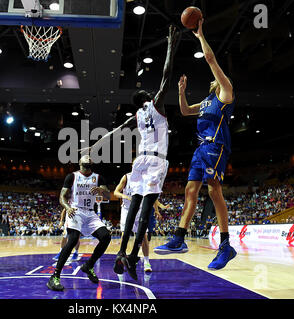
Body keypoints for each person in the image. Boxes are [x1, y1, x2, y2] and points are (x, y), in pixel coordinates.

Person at [83, 25, 179, 280]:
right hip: (156, 161)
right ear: (148, 98)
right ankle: (134, 256)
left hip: (139, 162)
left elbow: (114, 132)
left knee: (134, 209)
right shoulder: (156, 106)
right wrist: (171, 44)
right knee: (145, 213)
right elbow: (166, 76)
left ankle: (121, 252)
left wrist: (94, 145)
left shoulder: (135, 116)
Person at [154, 18, 237, 270]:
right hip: (201, 149)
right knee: (190, 190)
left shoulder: (226, 93)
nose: (216, 79)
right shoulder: (207, 101)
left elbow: (211, 61)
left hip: (215, 146)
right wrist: (181, 91)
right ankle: (179, 238)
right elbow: (185, 110)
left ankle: (225, 245)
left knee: (213, 191)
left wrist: (200, 35)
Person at [47, 155, 111, 291]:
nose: (87, 158)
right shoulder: (72, 176)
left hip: (90, 212)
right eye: (84, 158)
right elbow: (62, 197)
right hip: (75, 210)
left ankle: (89, 265)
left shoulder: (99, 177)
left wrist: (102, 190)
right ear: (80, 163)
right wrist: (68, 208)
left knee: (106, 237)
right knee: (72, 240)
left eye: (89, 158)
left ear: (91, 163)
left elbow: (108, 196)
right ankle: (55, 276)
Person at [113, 171, 165, 273]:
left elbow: (152, 197)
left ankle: (146, 261)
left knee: (144, 236)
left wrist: (157, 210)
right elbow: (116, 192)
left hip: (140, 210)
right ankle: (121, 260)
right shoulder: (126, 177)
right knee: (124, 235)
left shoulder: (146, 179)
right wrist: (126, 197)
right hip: (127, 209)